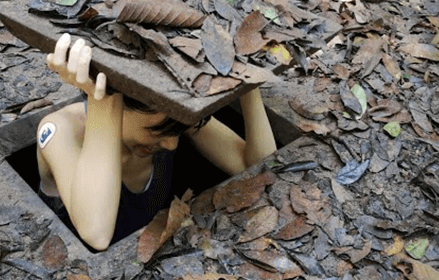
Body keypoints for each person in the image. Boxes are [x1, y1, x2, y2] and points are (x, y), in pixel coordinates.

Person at [36, 33, 276, 251]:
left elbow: (260, 167)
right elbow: (96, 234)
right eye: (157, 132)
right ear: (120, 104)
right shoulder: (61, 130)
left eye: (176, 131)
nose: (172, 144)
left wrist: (247, 81)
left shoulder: (171, 120)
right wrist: (102, 96)